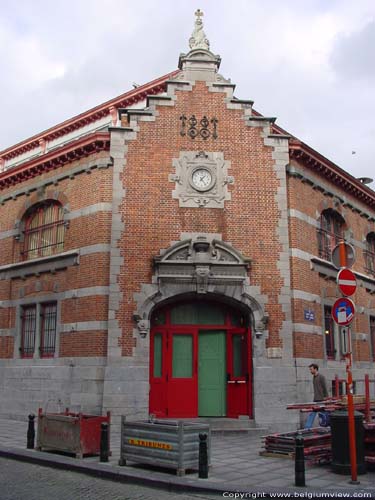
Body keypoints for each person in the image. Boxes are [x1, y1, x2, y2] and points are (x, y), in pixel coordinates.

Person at [305, 363, 329, 429]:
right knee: (313, 413)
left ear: (315, 369)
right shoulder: (314, 377)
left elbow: (325, 388)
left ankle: (326, 427)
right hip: (316, 399)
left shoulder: (321, 377)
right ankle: (307, 428)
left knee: (323, 414)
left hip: (321, 399)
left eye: (311, 369)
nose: (310, 371)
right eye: (310, 369)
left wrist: (326, 398)